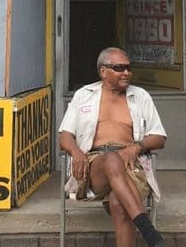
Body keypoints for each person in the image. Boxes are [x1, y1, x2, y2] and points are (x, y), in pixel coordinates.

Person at [58, 47, 167, 247]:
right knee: (111, 159)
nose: (126, 72)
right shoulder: (84, 95)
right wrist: (76, 152)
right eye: (119, 68)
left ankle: (150, 236)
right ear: (103, 72)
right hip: (93, 165)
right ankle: (150, 233)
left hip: (130, 165)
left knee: (118, 202)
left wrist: (135, 147)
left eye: (128, 67)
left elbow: (159, 137)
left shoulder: (140, 96)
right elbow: (64, 135)